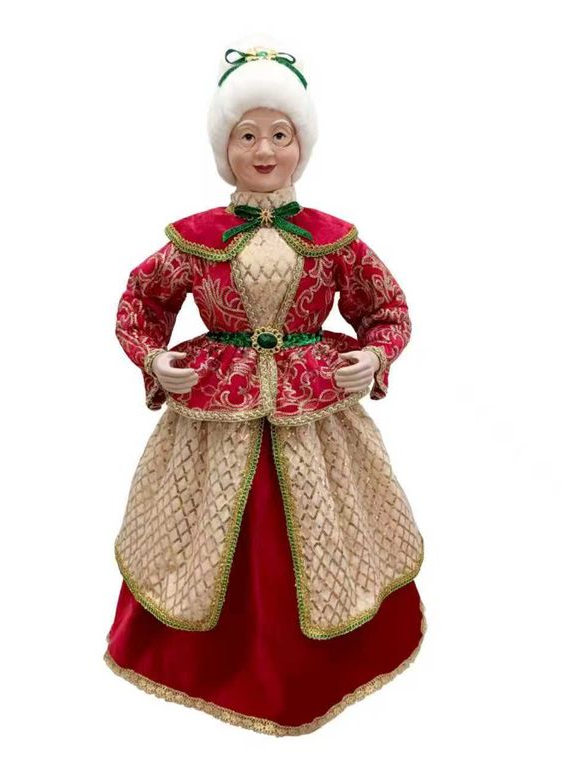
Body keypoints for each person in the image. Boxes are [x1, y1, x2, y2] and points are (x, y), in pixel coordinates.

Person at [104, 37, 426, 737]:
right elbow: (141, 301)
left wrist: (375, 354)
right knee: (203, 532)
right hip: (215, 409)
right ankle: (206, 664)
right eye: (247, 134)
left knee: (325, 530)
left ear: (301, 144)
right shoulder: (196, 238)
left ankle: (325, 666)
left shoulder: (334, 238)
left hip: (313, 409)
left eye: (280, 134)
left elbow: (387, 308)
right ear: (225, 146)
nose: (264, 150)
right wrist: (154, 359)